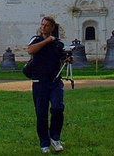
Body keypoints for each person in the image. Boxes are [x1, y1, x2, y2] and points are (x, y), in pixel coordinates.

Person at [27, 15, 71, 153]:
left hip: (55, 81)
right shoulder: (36, 40)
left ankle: (55, 138)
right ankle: (44, 143)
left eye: (46, 25)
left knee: (58, 108)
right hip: (40, 82)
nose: (43, 27)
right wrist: (46, 42)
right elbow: (30, 50)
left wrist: (67, 59)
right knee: (41, 114)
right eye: (42, 25)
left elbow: (62, 57)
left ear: (52, 28)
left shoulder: (58, 44)